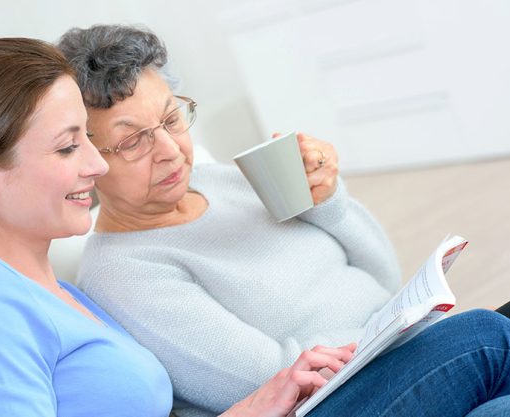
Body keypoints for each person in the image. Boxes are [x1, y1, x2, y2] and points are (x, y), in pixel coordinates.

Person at [57, 24, 510, 416]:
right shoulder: (123, 273)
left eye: (172, 118)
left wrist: (328, 199)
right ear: (86, 157)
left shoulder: (222, 180)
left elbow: (382, 276)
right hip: (338, 397)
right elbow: (271, 383)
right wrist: (391, 330)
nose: (171, 150)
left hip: (400, 352)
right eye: (134, 141)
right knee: (486, 335)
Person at [0, 36, 360, 417]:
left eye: (88, 141)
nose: (98, 165)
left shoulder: (47, 291)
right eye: (66, 148)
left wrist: (253, 407)